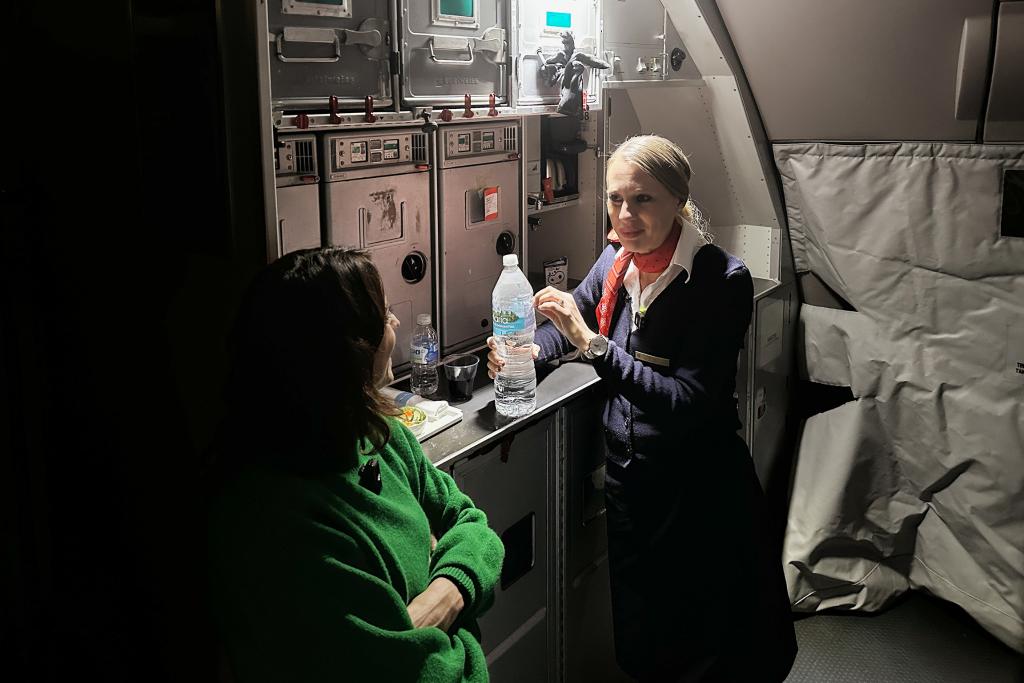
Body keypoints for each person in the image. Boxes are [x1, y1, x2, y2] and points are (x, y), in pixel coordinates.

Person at [487, 135, 797, 681]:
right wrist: (528, 353)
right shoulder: (617, 260)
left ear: (678, 200)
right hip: (631, 481)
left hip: (696, 487)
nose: (625, 215)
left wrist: (594, 345)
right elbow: (577, 316)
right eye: (615, 199)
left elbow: (687, 401)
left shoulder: (720, 281)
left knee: (705, 643)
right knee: (640, 638)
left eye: (642, 199)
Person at [209, 248, 504, 682]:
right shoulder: (281, 521)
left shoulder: (380, 437)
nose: (396, 324)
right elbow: (419, 672)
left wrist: (445, 594)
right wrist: (459, 623)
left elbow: (472, 524)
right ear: (350, 349)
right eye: (384, 315)